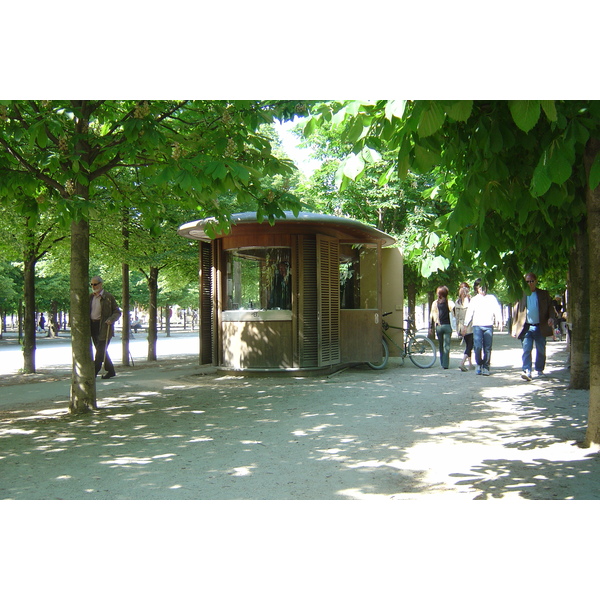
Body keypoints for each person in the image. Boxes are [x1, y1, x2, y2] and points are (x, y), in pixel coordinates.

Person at [511, 272, 554, 381]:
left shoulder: (543, 294)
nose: (529, 283)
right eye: (527, 281)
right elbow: (515, 312)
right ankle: (527, 370)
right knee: (526, 349)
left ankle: (539, 369)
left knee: (541, 349)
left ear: (536, 281)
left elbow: (550, 308)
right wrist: (514, 328)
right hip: (526, 327)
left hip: (540, 326)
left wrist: (551, 318)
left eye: (531, 281)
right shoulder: (520, 294)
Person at [462, 278, 502, 376]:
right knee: (478, 347)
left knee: (487, 347)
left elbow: (497, 310)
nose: (482, 289)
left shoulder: (491, 298)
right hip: (477, 326)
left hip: (488, 325)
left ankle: (486, 366)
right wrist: (465, 325)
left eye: (484, 287)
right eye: (480, 287)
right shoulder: (474, 300)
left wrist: (500, 321)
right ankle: (479, 364)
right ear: (476, 288)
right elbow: (469, 313)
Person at [90, 276, 122, 379]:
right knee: (102, 351)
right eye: (92, 284)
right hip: (93, 326)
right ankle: (111, 370)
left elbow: (117, 311)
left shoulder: (108, 297)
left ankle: (94, 372)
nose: (93, 286)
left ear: (100, 284)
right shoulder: (90, 297)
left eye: (95, 284)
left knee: (100, 350)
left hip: (104, 326)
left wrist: (111, 319)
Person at [430, 285, 455, 369]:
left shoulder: (435, 303)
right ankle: (445, 364)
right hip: (447, 326)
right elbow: (454, 311)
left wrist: (431, 327)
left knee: (441, 345)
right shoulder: (449, 302)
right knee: (446, 346)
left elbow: (432, 315)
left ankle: (442, 362)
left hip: (439, 326)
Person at [453, 282, 474, 372]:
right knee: (470, 344)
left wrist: (457, 328)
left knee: (468, 344)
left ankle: (470, 364)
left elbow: (455, 316)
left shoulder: (457, 302)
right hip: (470, 325)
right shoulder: (470, 300)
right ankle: (462, 362)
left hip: (460, 326)